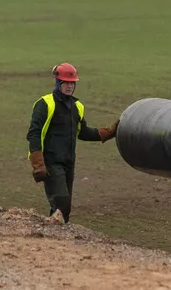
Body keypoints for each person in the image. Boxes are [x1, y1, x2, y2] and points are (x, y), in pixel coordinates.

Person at [25, 62, 117, 223]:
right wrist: (38, 164)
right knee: (62, 204)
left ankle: (53, 240)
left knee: (63, 211)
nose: (69, 86)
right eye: (65, 82)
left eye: (72, 83)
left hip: (69, 163)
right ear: (57, 82)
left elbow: (83, 132)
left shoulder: (77, 106)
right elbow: (34, 134)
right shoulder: (44, 104)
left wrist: (109, 132)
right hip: (51, 162)